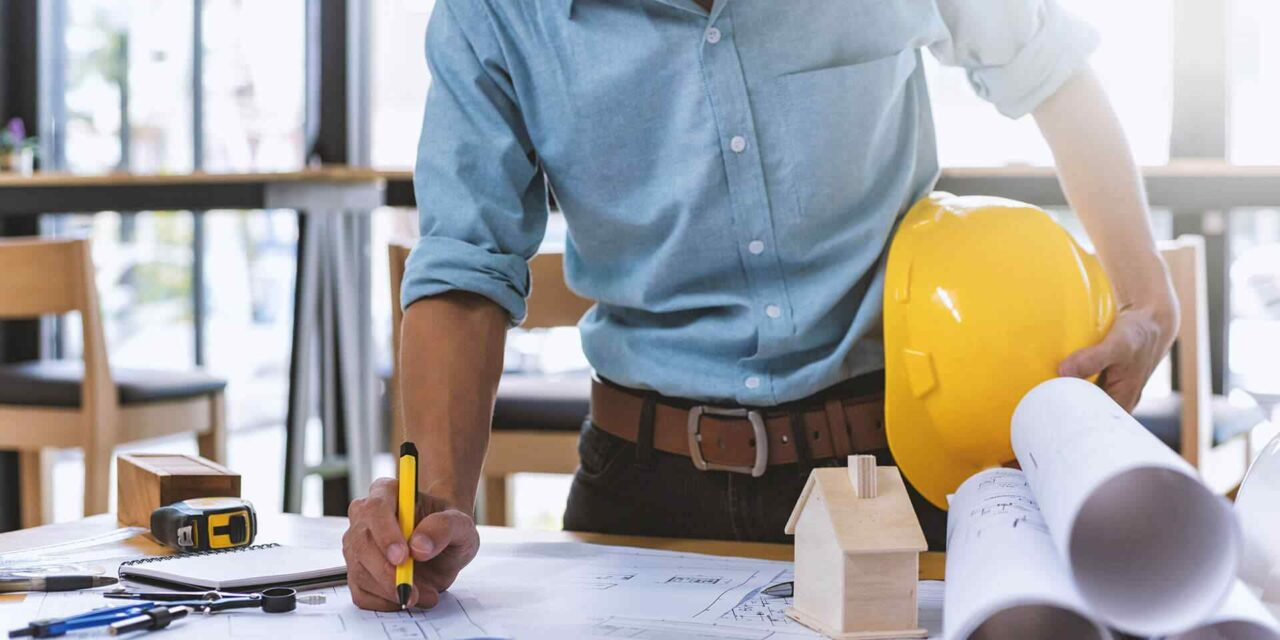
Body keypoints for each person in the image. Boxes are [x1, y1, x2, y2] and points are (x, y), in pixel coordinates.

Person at [342, 0, 1178, 611]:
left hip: (894, 473)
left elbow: (1051, 68)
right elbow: (464, 265)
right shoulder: (497, 12)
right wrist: (436, 503)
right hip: (643, 487)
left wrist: (1146, 294)